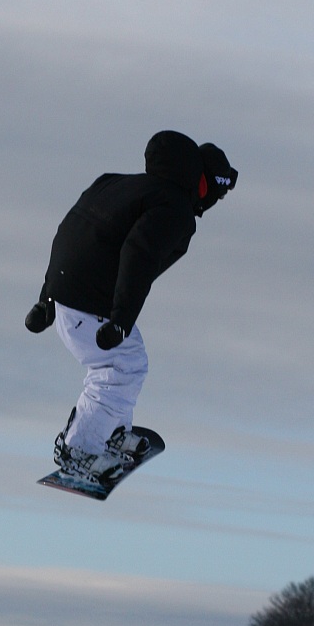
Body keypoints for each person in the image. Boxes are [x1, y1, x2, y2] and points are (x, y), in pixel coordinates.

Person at [26, 130, 237, 483]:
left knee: (130, 362)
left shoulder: (117, 184)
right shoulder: (174, 210)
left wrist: (46, 299)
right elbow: (138, 255)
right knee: (117, 372)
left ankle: (110, 430)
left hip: (73, 301)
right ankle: (78, 449)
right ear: (205, 186)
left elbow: (72, 229)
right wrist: (121, 320)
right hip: (90, 309)